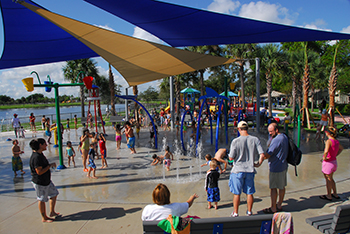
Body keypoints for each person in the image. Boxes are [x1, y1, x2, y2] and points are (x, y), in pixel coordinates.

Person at [228, 121, 265, 217]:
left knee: (237, 193)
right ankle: (249, 211)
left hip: (238, 170)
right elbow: (262, 154)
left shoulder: (235, 141)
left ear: (239, 129)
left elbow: (231, 158)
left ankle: (235, 212)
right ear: (247, 128)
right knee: (249, 192)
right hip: (250, 170)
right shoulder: (255, 139)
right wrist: (258, 164)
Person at [29, 138, 59, 223]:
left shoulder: (40, 154)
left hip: (47, 181)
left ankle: (52, 212)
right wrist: (49, 166)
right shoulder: (36, 157)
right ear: (40, 145)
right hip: (40, 182)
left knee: (54, 193)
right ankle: (44, 217)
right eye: (45, 144)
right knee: (41, 199)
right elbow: (39, 172)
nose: (46, 145)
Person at [262, 123, 289, 214]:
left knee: (273, 188)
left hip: (275, 167)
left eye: (271, 131)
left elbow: (268, 154)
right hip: (283, 165)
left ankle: (273, 207)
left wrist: (262, 156)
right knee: (282, 186)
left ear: (276, 130)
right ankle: (279, 204)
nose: (270, 133)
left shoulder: (276, 140)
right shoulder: (284, 137)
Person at [319, 127, 344, 201]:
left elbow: (326, 151)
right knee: (331, 178)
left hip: (328, 163)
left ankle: (329, 195)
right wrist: (335, 155)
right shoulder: (336, 141)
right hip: (334, 162)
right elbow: (341, 148)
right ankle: (335, 193)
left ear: (328, 133)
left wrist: (325, 157)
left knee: (328, 179)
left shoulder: (329, 141)